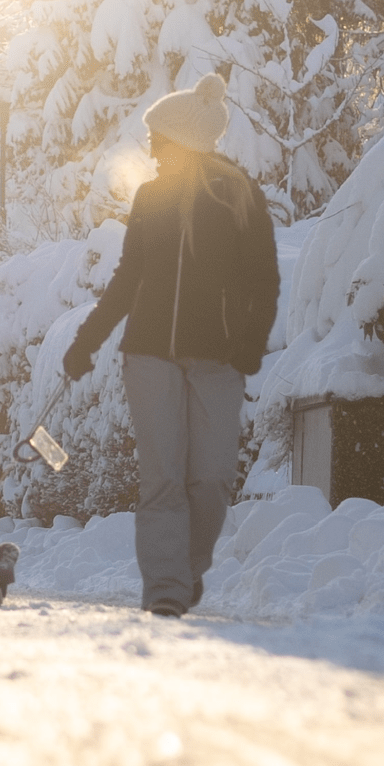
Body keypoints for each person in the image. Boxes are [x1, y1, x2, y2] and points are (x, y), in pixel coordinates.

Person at [61, 73, 279, 618]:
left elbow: (263, 279)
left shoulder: (238, 194)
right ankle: (165, 587)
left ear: (181, 137)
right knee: (162, 478)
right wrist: (87, 341)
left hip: (219, 359)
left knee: (211, 479)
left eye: (159, 135)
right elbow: (128, 276)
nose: (151, 145)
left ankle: (185, 572)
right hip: (150, 353)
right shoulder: (151, 197)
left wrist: (250, 345)